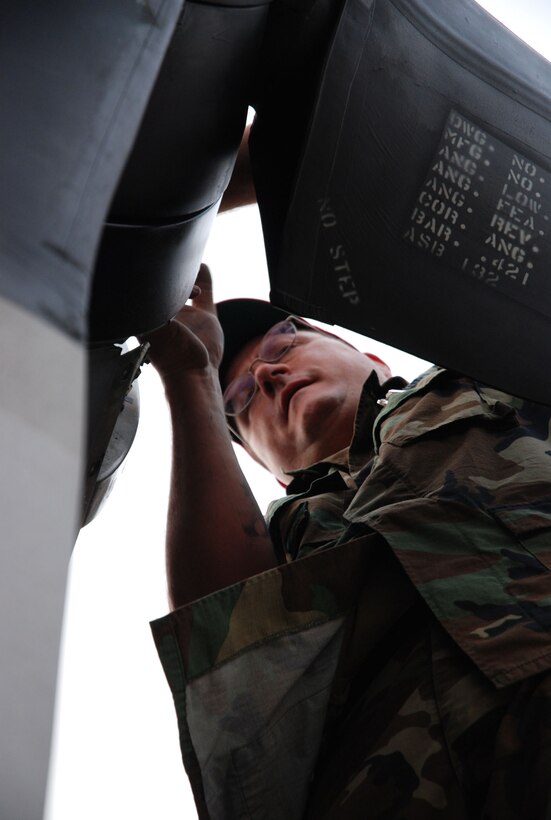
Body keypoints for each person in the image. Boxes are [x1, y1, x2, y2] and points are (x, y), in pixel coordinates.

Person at [146, 262, 551, 820]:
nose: (267, 376)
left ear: (374, 358)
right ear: (268, 468)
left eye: (282, 343)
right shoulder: (278, 542)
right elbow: (227, 651)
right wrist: (194, 376)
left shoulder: (488, 371)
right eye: (238, 397)